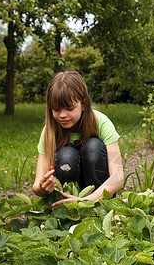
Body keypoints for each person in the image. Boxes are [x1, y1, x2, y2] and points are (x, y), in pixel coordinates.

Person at [32, 70, 124, 206]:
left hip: (99, 197)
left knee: (93, 146)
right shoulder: (49, 131)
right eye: (56, 109)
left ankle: (100, 210)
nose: (62, 115)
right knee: (66, 155)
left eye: (69, 108)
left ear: (84, 104)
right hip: (67, 200)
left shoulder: (102, 123)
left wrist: (87, 201)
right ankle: (68, 214)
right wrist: (42, 187)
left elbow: (118, 177)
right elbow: (36, 185)